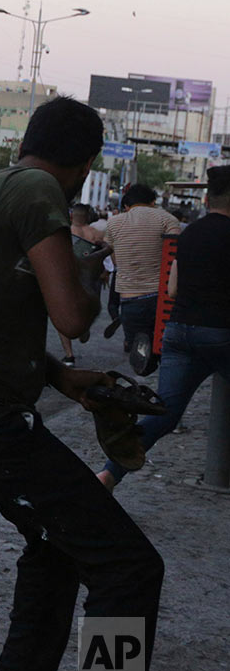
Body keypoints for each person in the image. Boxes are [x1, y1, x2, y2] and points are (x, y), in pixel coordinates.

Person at [0, 97, 162, 671]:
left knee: (56, 556)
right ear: (86, 163)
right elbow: (74, 317)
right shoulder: (37, 193)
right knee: (128, 568)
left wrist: (60, 376)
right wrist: (92, 267)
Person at [99, 166, 230, 489]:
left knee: (164, 414)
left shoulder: (188, 234)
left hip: (179, 333)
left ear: (208, 197)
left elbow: (172, 290)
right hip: (221, 334)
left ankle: (107, 474)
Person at [104, 183, 180, 357]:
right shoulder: (168, 219)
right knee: (164, 350)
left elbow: (114, 259)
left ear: (127, 204)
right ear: (153, 201)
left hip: (130, 299)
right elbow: (174, 254)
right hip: (162, 297)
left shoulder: (114, 222)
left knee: (138, 353)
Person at [56, 204, 106, 365]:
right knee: (86, 306)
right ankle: (84, 326)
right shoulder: (95, 233)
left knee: (60, 314)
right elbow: (105, 253)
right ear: (87, 216)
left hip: (69, 276)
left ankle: (69, 354)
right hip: (90, 277)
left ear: (72, 216)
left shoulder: (65, 233)